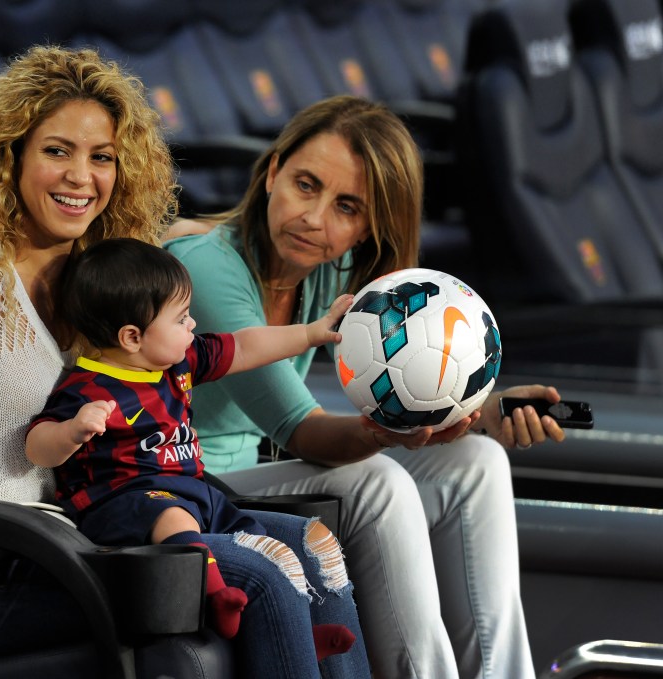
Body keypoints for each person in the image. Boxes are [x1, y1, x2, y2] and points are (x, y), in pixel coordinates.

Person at [0, 46, 369, 678]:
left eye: (101, 157)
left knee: (314, 546)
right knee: (259, 574)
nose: (81, 176)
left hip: (98, 542)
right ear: (11, 154)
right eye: (56, 151)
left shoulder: (109, 285)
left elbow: (211, 352)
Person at [164, 94, 568, 679]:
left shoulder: (323, 267)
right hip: (185, 491)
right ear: (273, 171)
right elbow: (302, 430)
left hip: (247, 479)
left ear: (368, 226)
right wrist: (389, 436)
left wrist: (479, 411)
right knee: (376, 479)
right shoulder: (207, 269)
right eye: (306, 185)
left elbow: (394, 396)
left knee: (476, 462)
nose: (315, 217)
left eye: (346, 206)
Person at [26, 237, 357, 658]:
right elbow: (36, 446)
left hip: (195, 492)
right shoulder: (86, 389)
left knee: (256, 533)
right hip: (121, 505)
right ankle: (215, 596)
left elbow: (247, 347)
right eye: (181, 318)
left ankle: (292, 632)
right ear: (131, 337)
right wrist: (73, 430)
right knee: (170, 513)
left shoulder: (178, 361)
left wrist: (311, 333)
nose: (193, 324)